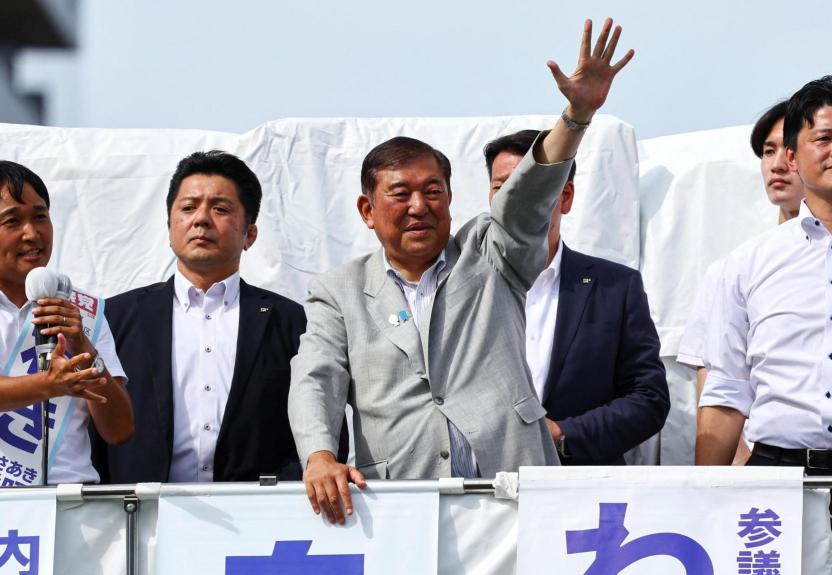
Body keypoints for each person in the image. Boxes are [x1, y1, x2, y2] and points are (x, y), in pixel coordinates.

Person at [289, 18, 634, 523]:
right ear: (367, 210)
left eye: (433, 192)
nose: (418, 206)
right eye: (400, 194)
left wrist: (577, 115)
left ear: (451, 201)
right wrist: (320, 455)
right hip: (401, 507)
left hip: (511, 496)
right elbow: (315, 378)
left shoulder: (491, 253)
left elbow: (526, 197)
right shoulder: (338, 291)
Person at [695, 75, 832, 575]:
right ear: (794, 153)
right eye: (824, 136)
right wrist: (703, 501)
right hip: (774, 483)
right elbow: (725, 391)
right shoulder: (745, 265)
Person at [90, 151, 325, 482]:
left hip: (255, 519)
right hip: (137, 519)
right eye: (188, 208)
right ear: (169, 225)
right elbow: (88, 431)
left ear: (250, 234)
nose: (201, 219)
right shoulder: (115, 318)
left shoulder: (289, 321)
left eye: (220, 209)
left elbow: (318, 422)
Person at [483, 129, 669, 464]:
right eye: (502, 187)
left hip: (580, 491)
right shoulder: (461, 283)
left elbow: (648, 399)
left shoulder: (614, 287)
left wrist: (562, 434)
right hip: (479, 489)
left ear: (565, 196)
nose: (515, 199)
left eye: (533, 188)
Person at [678, 100, 805, 463]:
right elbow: (716, 379)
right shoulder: (735, 267)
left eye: (791, 149)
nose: (779, 164)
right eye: (769, 151)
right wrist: (738, 462)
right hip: (764, 470)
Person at [0, 160, 132, 484]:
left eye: (40, 217)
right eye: (13, 221)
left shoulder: (81, 312)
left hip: (73, 508)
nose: (32, 233)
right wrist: (50, 385)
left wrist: (83, 347)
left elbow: (119, 430)